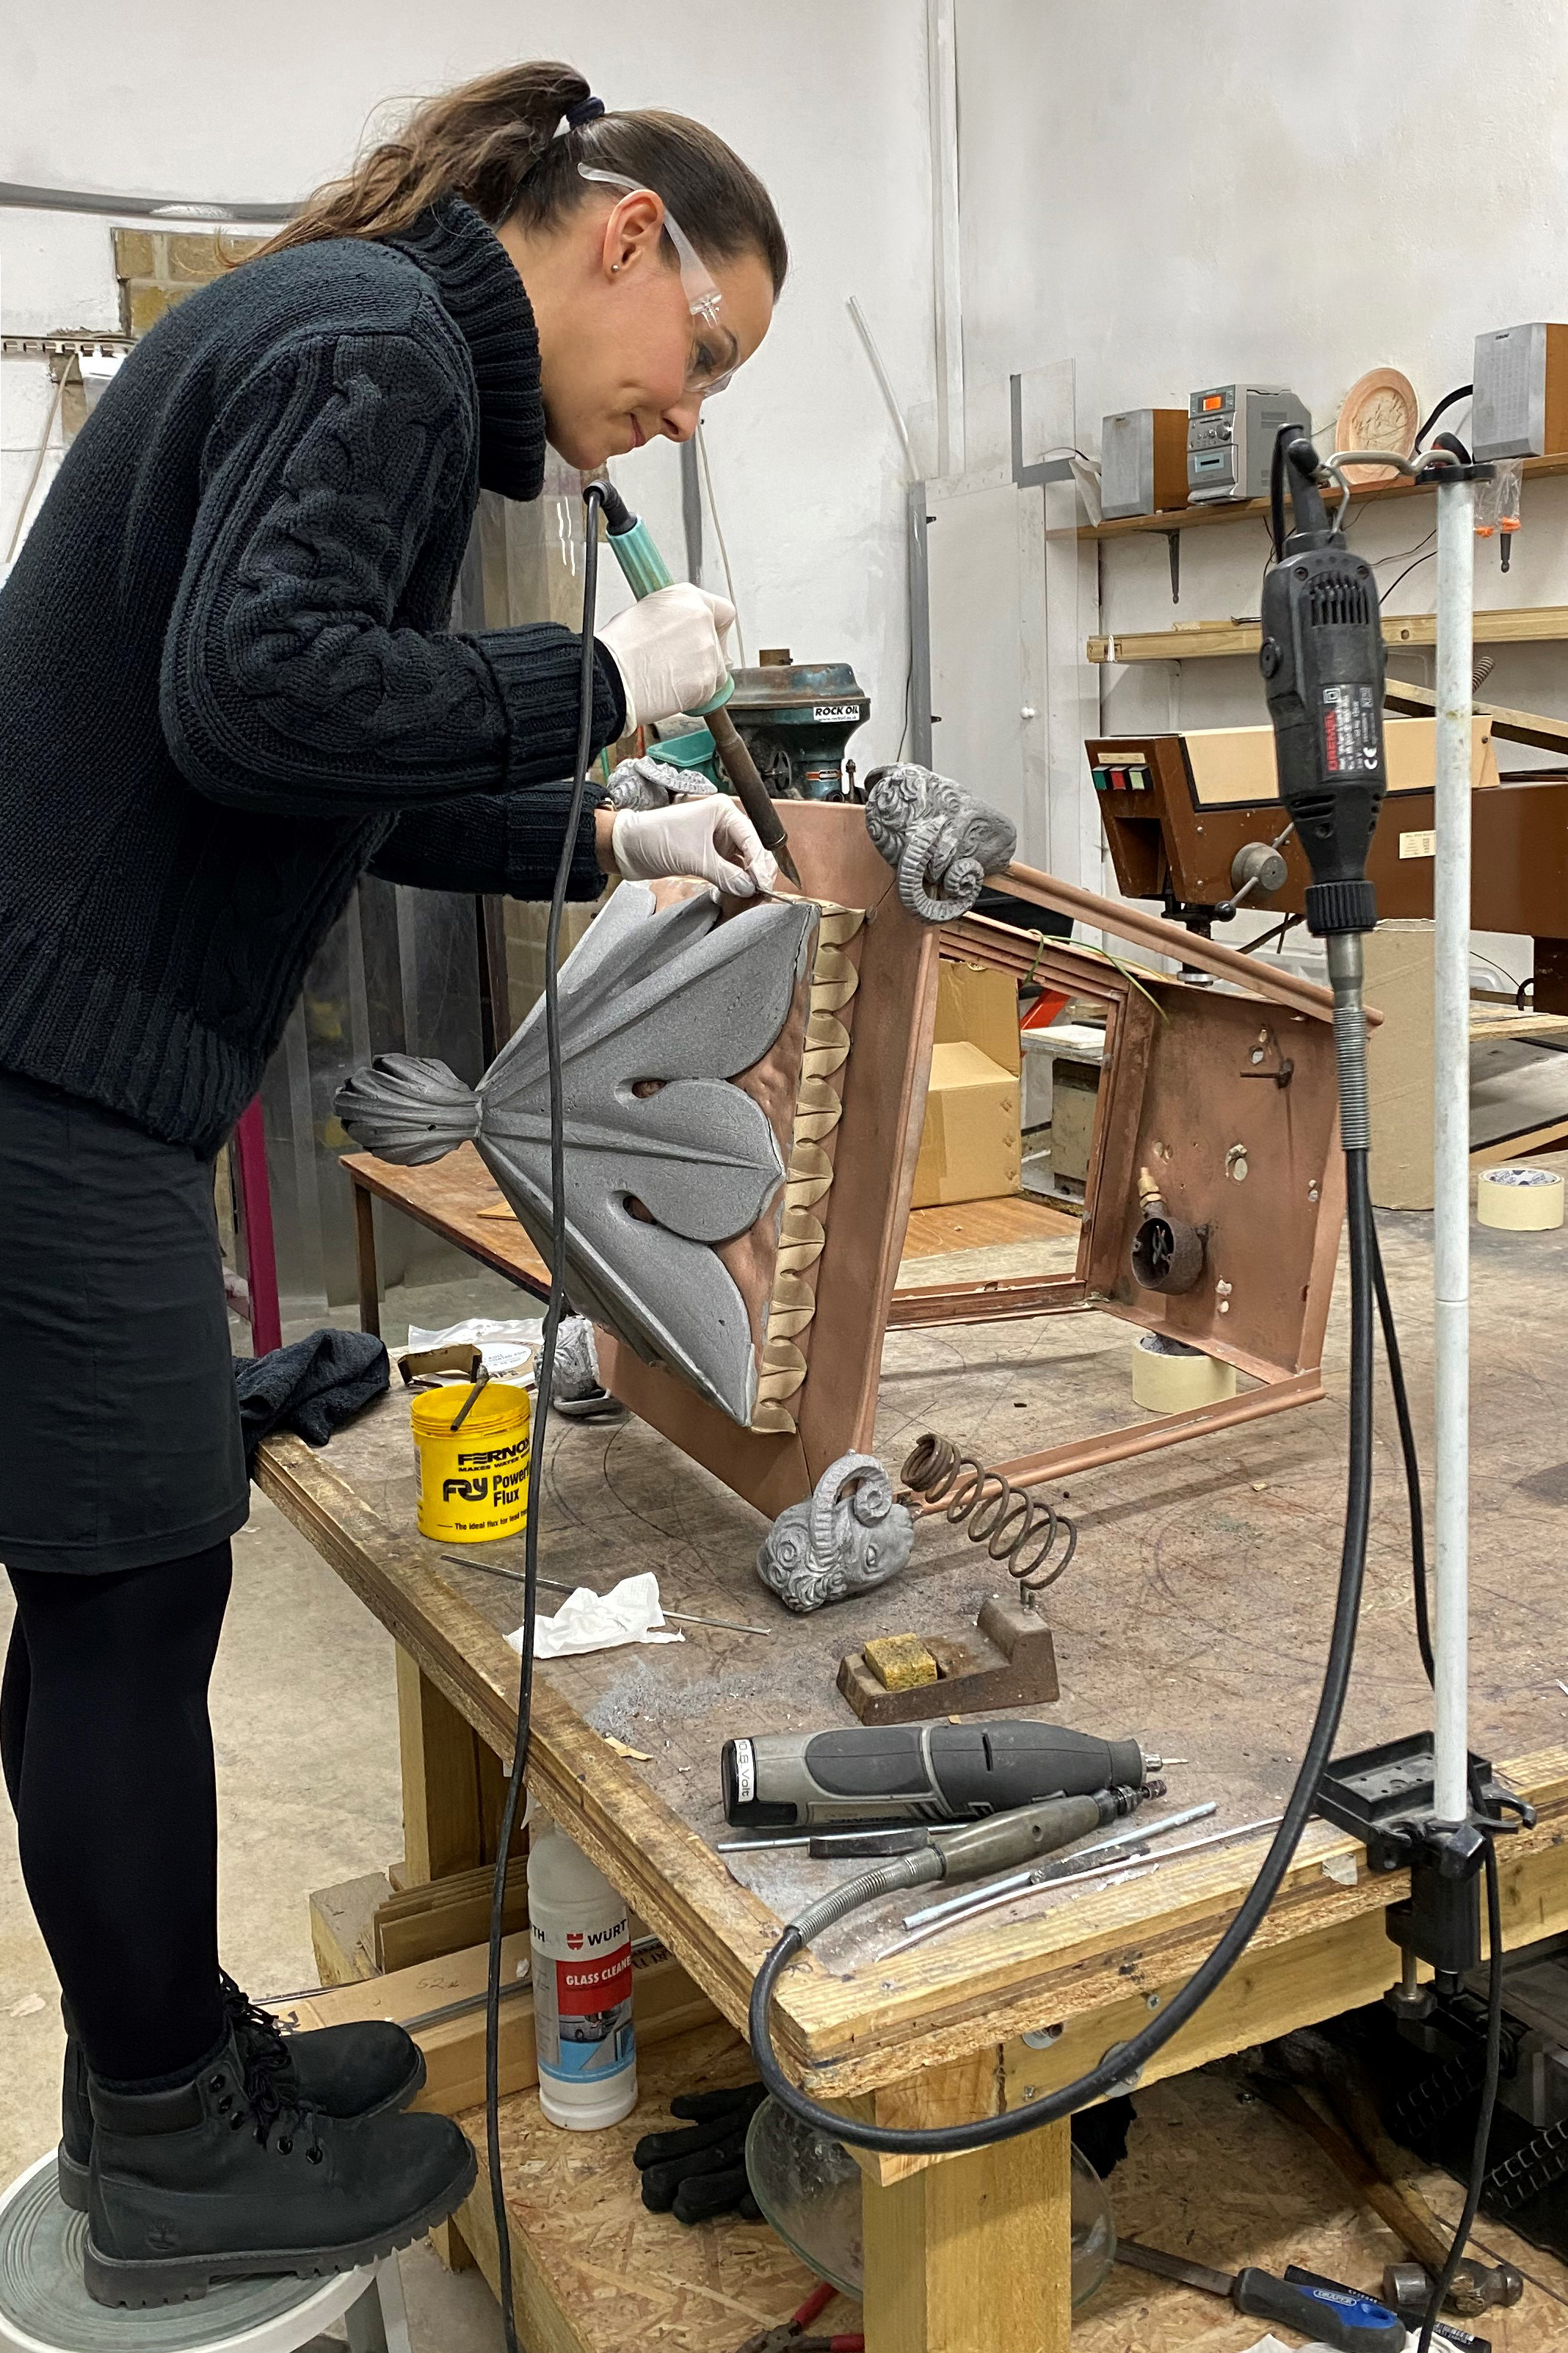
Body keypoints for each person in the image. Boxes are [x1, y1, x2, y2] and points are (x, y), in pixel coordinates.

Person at [0, 60, 787, 2306]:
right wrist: (593, 676)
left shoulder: (381, 342)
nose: (683, 413)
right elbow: (256, 697)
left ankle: (164, 2063)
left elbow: (310, 764)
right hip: (43, 1062)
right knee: (131, 1605)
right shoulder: (381, 352)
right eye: (701, 356)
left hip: (67, 1057)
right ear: (621, 237)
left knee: (112, 1599)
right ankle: (162, 2151)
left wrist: (609, 823)